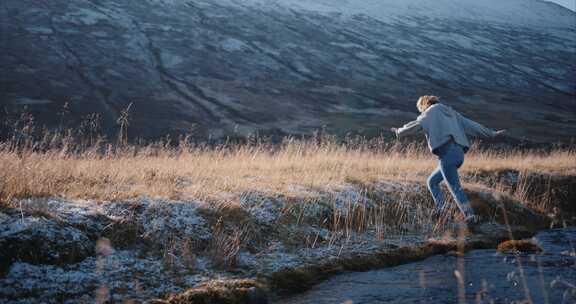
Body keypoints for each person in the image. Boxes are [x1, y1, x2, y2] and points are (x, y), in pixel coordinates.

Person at [391, 95, 505, 225]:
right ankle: (443, 211)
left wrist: (399, 131)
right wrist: (491, 133)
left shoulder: (430, 112)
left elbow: (416, 125)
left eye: (420, 109)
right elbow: (472, 125)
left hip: (447, 155)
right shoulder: (451, 112)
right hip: (458, 154)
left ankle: (470, 217)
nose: (421, 112)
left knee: (455, 188)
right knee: (432, 182)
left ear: (424, 105)